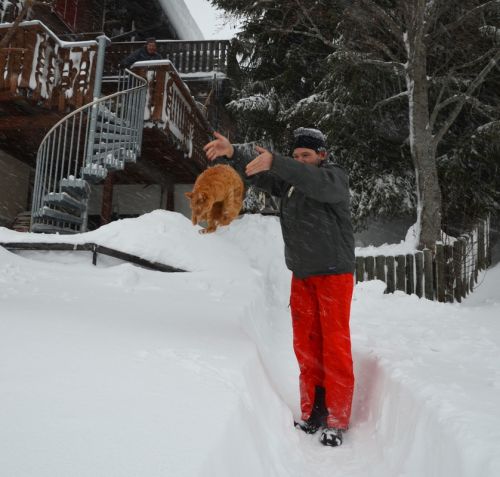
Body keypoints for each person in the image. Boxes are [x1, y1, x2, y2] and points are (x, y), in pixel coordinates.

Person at [203, 128, 355, 447]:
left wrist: (281, 162)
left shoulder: (333, 178)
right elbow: (259, 174)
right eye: (297, 155)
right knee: (306, 345)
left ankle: (337, 419)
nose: (301, 161)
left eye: (306, 156)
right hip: (301, 275)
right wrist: (233, 153)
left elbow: (312, 182)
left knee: (334, 345)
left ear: (322, 156)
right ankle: (314, 412)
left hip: (333, 275)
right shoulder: (290, 185)